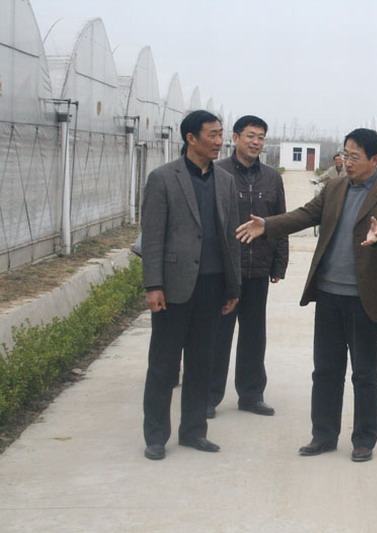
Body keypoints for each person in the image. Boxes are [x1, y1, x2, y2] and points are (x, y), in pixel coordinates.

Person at [236, 128, 377, 463]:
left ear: (375, 159)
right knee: (326, 370)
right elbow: (304, 215)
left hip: (364, 298)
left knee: (364, 372)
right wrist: (267, 225)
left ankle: (363, 440)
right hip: (329, 294)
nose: (347, 162)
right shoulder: (335, 186)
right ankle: (324, 435)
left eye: (355, 157)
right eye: (346, 154)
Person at [140, 110, 241, 460]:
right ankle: (156, 436)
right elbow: (152, 237)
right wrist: (153, 285)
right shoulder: (163, 178)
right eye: (212, 134)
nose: (219, 141)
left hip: (212, 286)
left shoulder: (225, 181)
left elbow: (230, 237)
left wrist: (233, 287)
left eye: (220, 134)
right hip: (173, 287)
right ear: (191, 138)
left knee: (202, 363)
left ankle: (194, 431)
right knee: (164, 365)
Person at [207, 115, 288, 419]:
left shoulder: (272, 178)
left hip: (258, 270)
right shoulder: (217, 173)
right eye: (250, 136)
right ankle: (208, 396)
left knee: (254, 335)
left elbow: (280, 221)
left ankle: (251, 395)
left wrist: (279, 263)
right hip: (226, 271)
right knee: (218, 335)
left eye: (261, 137)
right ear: (235, 138)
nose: (256, 142)